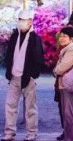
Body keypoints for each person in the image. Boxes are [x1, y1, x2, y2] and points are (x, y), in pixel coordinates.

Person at [2, 9, 44, 141]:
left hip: (28, 78)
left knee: (30, 108)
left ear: (30, 21)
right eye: (19, 19)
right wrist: (9, 72)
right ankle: (9, 133)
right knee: (10, 106)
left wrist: (33, 76)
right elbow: (9, 55)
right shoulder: (15, 36)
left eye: (23, 20)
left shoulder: (35, 38)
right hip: (14, 76)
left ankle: (31, 133)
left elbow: (38, 58)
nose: (20, 22)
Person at [55, 22, 73, 141]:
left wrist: (55, 70)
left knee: (69, 115)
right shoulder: (67, 48)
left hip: (69, 85)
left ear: (71, 38)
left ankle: (72, 138)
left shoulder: (71, 49)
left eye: (64, 36)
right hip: (66, 85)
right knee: (67, 114)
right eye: (61, 35)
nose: (61, 38)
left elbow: (61, 68)